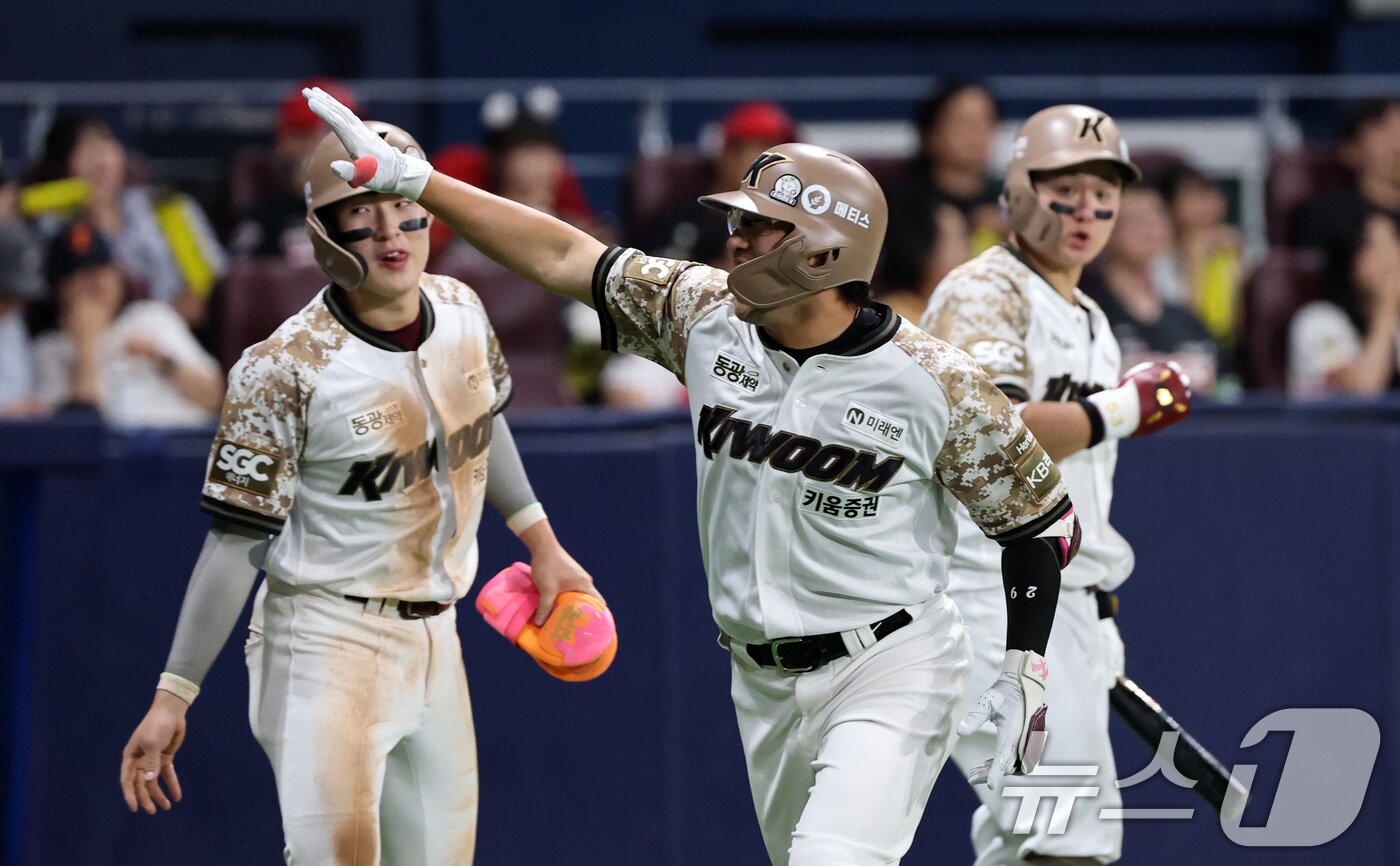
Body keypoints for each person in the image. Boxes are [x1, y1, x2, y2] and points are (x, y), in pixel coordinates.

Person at [305, 85, 1083, 866]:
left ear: (825, 252)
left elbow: (1040, 524)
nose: (734, 240)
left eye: (758, 227)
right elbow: (566, 256)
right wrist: (421, 185)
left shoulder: (936, 382)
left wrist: (1024, 665)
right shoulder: (704, 314)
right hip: (761, 677)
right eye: (736, 222)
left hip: (892, 662)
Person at [118, 121, 602, 865]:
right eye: (362, 212)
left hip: (437, 635)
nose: (390, 231)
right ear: (323, 228)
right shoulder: (282, 367)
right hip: (324, 642)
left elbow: (483, 421)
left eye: (405, 207)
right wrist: (172, 694)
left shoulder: (462, 308)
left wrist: (543, 543)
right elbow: (235, 542)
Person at [922, 105, 1192, 866]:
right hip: (988, 594)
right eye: (1064, 189)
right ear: (1017, 189)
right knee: (1066, 836)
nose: (1085, 210)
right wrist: (1122, 409)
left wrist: (1092, 608)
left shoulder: (1091, 316)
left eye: (1103, 192)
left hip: (1054, 599)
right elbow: (994, 435)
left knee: (1029, 843)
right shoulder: (985, 290)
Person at [26, 112, 225, 326]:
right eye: (83, 149)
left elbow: (210, 291)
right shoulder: (50, 226)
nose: (100, 161)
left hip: (172, 330)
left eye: (105, 143)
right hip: (92, 334)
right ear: (62, 169)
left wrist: (152, 324)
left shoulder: (166, 205)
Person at [30, 219, 224, 426]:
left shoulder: (152, 316)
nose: (99, 282)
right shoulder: (49, 349)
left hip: (186, 440)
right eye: (84, 274)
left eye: (104, 269)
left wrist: (162, 360)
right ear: (61, 288)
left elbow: (217, 398)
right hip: (121, 446)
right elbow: (79, 433)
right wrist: (86, 349)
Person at [1085, 185, 1222, 395]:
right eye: (1136, 219)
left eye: (1159, 216)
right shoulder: (1088, 314)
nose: (1152, 228)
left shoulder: (1185, 318)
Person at [880, 80, 1002, 313]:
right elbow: (911, 281)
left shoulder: (1009, 199)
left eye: (986, 121)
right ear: (931, 132)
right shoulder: (903, 202)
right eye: (963, 122)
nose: (976, 133)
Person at [636, 100, 798, 268]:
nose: (769, 165)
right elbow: (653, 276)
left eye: (778, 154)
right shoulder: (688, 224)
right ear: (724, 156)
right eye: (743, 149)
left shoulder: (794, 224)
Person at [228, 77, 361, 261]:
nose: (337, 145)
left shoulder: (376, 208)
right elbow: (242, 271)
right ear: (286, 143)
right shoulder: (269, 217)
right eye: (307, 136)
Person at [1289, 212, 1400, 397]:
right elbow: (1361, 395)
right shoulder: (1318, 322)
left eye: (1395, 241)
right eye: (1372, 245)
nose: (1389, 256)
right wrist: (1386, 308)